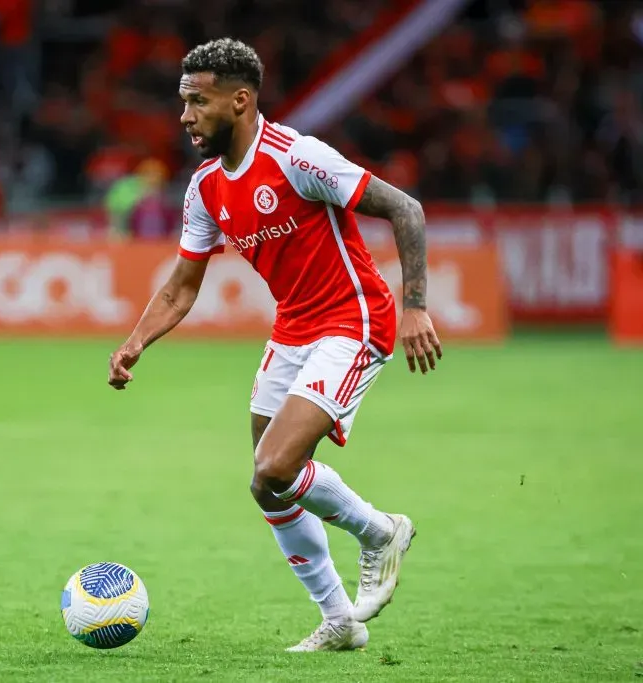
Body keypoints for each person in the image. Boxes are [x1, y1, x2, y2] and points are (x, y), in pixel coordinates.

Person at [107, 39, 443, 652]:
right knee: (266, 484)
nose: (184, 116)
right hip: (294, 327)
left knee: (276, 466)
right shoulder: (205, 187)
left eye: (197, 102)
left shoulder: (297, 157)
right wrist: (135, 344)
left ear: (240, 101)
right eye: (183, 102)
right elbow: (182, 288)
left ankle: (380, 532)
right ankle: (340, 621)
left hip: (354, 318)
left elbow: (407, 210)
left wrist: (416, 306)